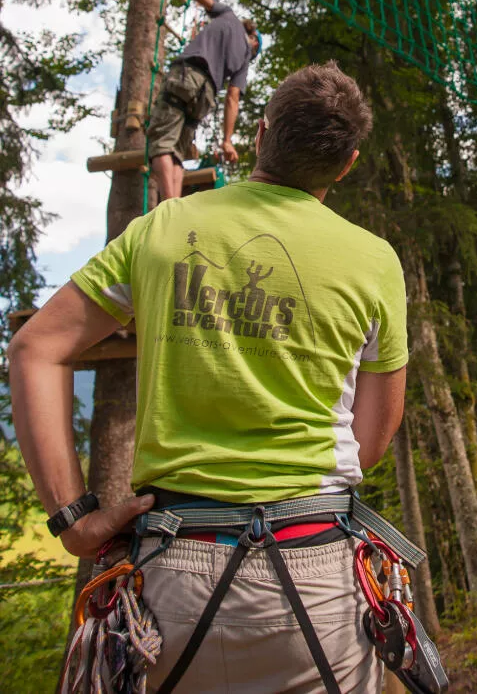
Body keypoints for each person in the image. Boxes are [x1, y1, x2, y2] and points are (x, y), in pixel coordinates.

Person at [9, 62, 408, 694]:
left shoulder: (164, 228)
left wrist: (74, 518)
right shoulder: (374, 262)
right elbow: (372, 440)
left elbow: (35, 349)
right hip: (318, 577)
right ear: (346, 165)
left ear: (262, 133)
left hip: (172, 580)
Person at [147, 0, 262, 200]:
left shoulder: (228, 15)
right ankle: (174, 206)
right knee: (177, 153)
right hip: (206, 95)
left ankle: (168, 205)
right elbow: (232, 98)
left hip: (188, 75)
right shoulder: (245, 58)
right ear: (254, 41)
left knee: (162, 143)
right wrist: (227, 140)